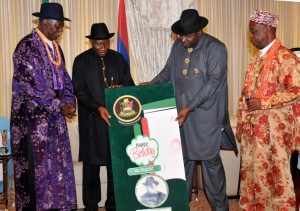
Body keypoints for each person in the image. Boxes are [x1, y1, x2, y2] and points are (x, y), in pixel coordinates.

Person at [141, 9, 238, 210]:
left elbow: (213, 83)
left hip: (205, 118)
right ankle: (180, 206)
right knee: (180, 165)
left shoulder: (216, 48)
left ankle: (220, 208)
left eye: (188, 35)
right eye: (180, 35)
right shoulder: (178, 45)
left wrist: (189, 107)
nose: (183, 39)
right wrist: (152, 83)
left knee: (211, 167)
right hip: (180, 115)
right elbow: (168, 71)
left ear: (200, 32)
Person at [10, 3, 77, 210]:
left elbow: (65, 79)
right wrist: (59, 105)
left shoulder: (56, 48)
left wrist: (69, 101)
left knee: (56, 171)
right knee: (37, 176)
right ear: (45, 22)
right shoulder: (26, 47)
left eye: (61, 26)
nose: (60, 30)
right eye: (58, 25)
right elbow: (33, 86)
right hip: (32, 123)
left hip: (55, 120)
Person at [236, 9, 300, 210]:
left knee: (276, 178)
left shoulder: (286, 57)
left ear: (267, 28)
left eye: (254, 32)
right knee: (254, 176)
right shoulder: (257, 59)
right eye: (250, 32)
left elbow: (296, 89)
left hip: (275, 135)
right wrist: (242, 122)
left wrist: (264, 102)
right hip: (254, 133)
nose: (251, 37)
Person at [72, 23, 135, 211]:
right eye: (98, 44)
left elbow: (129, 84)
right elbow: (80, 92)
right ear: (91, 42)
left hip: (115, 122)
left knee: (114, 165)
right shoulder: (81, 61)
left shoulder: (118, 58)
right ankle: (90, 206)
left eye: (106, 43)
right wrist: (98, 108)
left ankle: (113, 205)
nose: (103, 48)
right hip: (92, 122)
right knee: (91, 167)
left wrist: (122, 89)